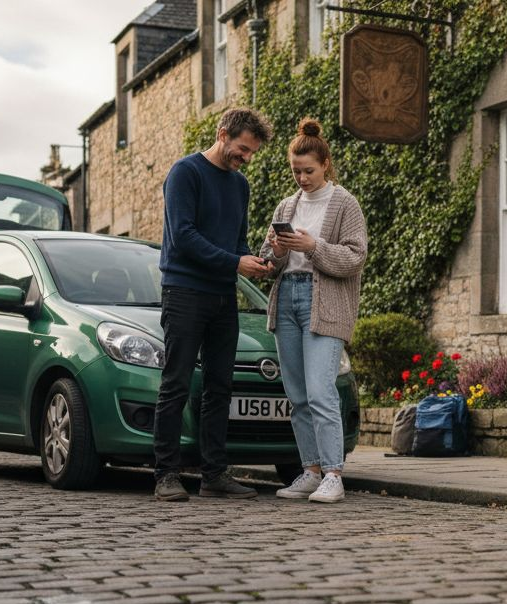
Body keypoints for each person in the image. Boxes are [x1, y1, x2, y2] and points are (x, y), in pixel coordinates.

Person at [153, 108, 274, 502]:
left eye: (251, 153)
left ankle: (214, 475)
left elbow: (236, 241)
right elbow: (184, 236)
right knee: (176, 383)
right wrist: (234, 261)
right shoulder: (184, 173)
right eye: (241, 150)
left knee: (220, 386)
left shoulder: (240, 186)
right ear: (222, 134)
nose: (246, 159)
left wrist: (252, 261)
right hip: (185, 292)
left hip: (224, 296)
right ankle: (167, 474)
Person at [261, 118, 368, 503]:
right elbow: (269, 264)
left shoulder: (345, 203)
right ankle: (310, 471)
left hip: (325, 305)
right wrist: (275, 250)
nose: (302, 178)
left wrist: (312, 246)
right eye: (295, 171)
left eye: (308, 171)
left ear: (325, 164)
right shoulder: (287, 204)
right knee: (298, 395)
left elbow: (355, 258)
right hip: (286, 300)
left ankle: (334, 474)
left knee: (322, 391)